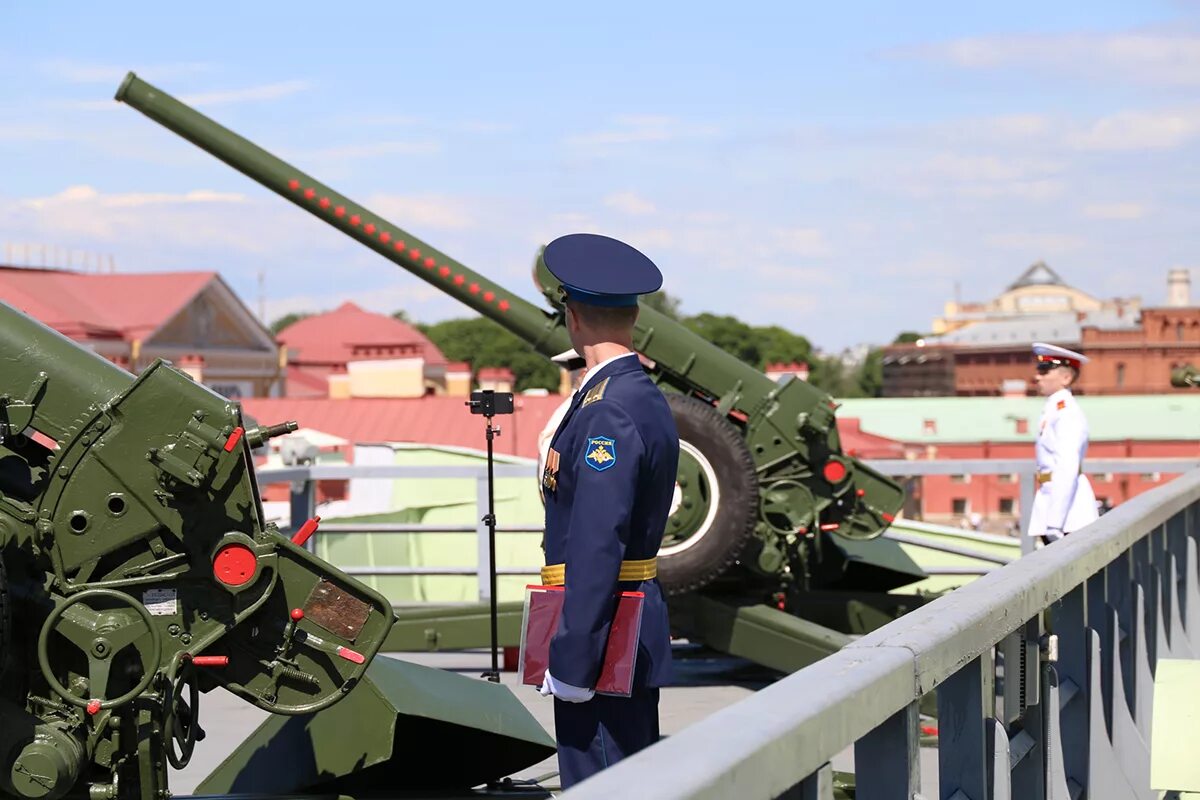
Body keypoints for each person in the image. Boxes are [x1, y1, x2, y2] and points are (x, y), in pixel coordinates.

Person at [536, 233, 679, 788]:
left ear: (572, 317)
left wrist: (574, 660)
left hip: (604, 632)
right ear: (634, 315)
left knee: (600, 779)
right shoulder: (635, 395)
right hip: (621, 621)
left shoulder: (608, 411)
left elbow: (598, 541)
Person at [1027, 342, 1098, 545]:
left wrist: (1054, 522)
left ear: (1066, 378)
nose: (1038, 376)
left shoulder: (1067, 414)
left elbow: (1067, 467)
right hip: (1053, 504)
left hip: (1068, 515)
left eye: (1045, 371)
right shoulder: (1054, 409)